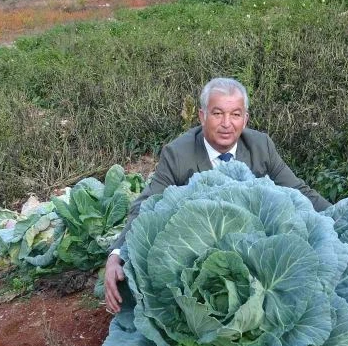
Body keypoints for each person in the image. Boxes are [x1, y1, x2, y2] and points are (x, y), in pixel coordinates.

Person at [103, 77, 330, 313]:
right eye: (218, 113)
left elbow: (299, 191)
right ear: (202, 116)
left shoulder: (261, 146)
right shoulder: (178, 154)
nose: (226, 124)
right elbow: (146, 206)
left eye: (235, 114)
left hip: (254, 257)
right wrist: (116, 254)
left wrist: (335, 215)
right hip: (196, 258)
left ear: (245, 119)